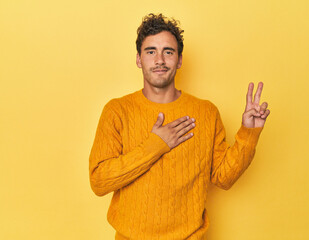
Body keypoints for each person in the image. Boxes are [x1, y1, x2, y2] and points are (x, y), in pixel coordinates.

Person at [89, 13, 270, 240]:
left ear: (180, 59)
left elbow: (223, 178)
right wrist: (156, 145)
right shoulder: (117, 111)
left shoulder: (206, 112)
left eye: (168, 51)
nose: (160, 60)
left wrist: (249, 132)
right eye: (151, 51)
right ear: (138, 59)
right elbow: (99, 181)